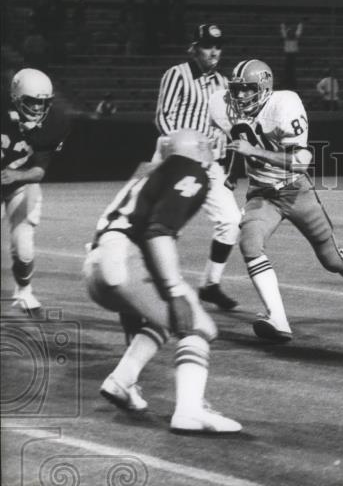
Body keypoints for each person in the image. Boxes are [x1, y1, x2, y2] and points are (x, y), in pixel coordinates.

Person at [209, 59, 343, 341]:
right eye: (237, 89)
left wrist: (255, 152)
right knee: (250, 244)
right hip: (261, 192)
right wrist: (230, 169)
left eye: (247, 90)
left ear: (264, 88)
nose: (240, 96)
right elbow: (235, 139)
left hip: (294, 188)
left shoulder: (284, 105)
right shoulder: (221, 104)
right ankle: (277, 318)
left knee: (331, 259)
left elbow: (302, 162)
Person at [84, 129, 242, 434]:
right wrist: (175, 289)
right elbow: (157, 231)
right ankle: (190, 411)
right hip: (122, 259)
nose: (211, 153)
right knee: (199, 326)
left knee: (161, 320)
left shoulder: (148, 173)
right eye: (207, 147)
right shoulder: (190, 169)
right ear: (196, 149)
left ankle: (122, 381)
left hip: (96, 268)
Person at [154, 24, 241, 310]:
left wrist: (227, 165)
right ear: (194, 48)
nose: (214, 51)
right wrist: (182, 147)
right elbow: (163, 118)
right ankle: (154, 284)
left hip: (208, 162)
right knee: (160, 225)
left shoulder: (224, 82)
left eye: (218, 45)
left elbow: (224, 127)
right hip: (173, 159)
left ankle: (210, 284)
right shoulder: (177, 74)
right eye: (207, 45)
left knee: (231, 220)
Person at [2, 68, 69, 311]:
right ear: (16, 97)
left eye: (43, 102)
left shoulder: (56, 121)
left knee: (24, 246)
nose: (39, 108)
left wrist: (15, 175)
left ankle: (24, 290)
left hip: (21, 182)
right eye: (33, 102)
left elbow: (39, 171)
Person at [280, 22, 302, 89]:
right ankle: (287, 82)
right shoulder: (287, 38)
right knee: (288, 70)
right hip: (288, 55)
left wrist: (300, 26)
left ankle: (292, 83)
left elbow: (298, 32)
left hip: (292, 55)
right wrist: (282, 27)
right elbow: (284, 33)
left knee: (292, 70)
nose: (291, 33)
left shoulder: (294, 38)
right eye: (289, 32)